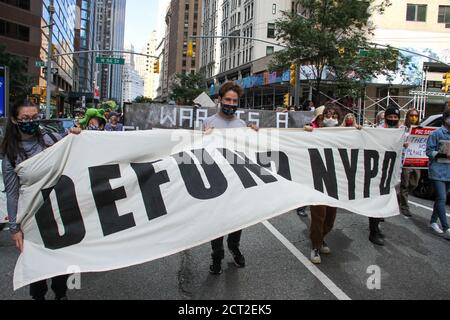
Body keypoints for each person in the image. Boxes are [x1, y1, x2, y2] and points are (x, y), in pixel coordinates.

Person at [1, 100, 81, 300]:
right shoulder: (11, 155)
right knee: (37, 265)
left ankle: (60, 294)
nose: (31, 121)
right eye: (25, 118)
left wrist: (76, 136)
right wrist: (14, 228)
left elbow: (72, 149)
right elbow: (12, 194)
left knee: (61, 261)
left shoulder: (51, 138)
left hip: (59, 210)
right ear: (14, 120)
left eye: (35, 117)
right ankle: (39, 296)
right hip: (32, 217)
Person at [203, 81, 257, 275]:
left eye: (235, 100)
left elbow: (248, 151)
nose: (231, 103)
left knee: (236, 219)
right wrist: (204, 137)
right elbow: (198, 153)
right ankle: (217, 255)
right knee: (216, 222)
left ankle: (234, 247)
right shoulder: (208, 123)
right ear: (219, 100)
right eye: (228, 99)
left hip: (236, 181)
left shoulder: (242, 124)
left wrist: (254, 134)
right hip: (215, 181)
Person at [305, 104, 342, 264]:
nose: (331, 118)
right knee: (318, 217)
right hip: (317, 181)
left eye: (334, 116)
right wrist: (305, 133)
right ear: (321, 117)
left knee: (330, 219)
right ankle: (315, 246)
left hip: (334, 183)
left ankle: (321, 239)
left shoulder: (343, 134)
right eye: (328, 115)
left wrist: (356, 128)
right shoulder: (312, 132)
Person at [369, 107, 403, 246]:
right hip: (378, 171)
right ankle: (373, 232)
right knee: (377, 200)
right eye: (391, 117)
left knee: (385, 200)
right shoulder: (378, 131)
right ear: (385, 117)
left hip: (392, 171)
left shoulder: (401, 132)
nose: (393, 120)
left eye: (396, 117)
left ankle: (376, 227)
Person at [426, 109, 450, 239]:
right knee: (442, 198)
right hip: (437, 170)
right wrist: (443, 154)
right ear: (445, 119)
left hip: (449, 171)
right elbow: (429, 151)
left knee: (441, 198)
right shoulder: (436, 133)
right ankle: (446, 227)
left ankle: (433, 221)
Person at [399, 109, 421, 217]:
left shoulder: (420, 129)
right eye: (411, 115)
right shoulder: (403, 129)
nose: (413, 118)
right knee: (405, 183)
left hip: (416, 160)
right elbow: (397, 140)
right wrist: (403, 144)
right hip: (405, 160)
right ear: (407, 116)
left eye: (416, 116)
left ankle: (399, 197)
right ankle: (404, 206)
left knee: (414, 183)